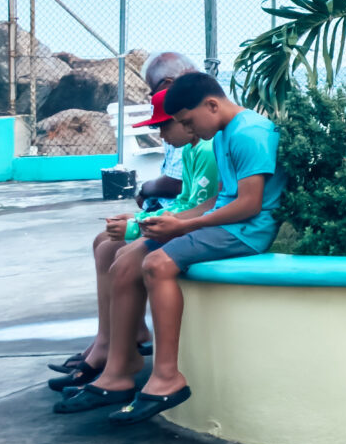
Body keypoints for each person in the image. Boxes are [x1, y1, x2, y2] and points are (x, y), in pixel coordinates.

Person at [57, 72, 281, 424]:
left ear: (211, 104)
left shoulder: (250, 133)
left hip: (246, 231)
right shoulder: (224, 133)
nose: (187, 130)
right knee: (128, 260)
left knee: (157, 264)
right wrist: (165, 223)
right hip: (226, 223)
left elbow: (250, 204)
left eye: (188, 121)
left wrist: (185, 226)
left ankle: (166, 377)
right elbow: (216, 201)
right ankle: (120, 370)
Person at [47, 91, 216, 393]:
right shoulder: (192, 150)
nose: (162, 134)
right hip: (182, 220)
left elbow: (199, 206)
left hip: (195, 229)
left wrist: (137, 226)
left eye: (167, 126)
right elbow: (185, 200)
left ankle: (121, 362)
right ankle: (108, 342)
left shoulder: (203, 150)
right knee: (105, 245)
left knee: (124, 256)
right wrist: (139, 219)